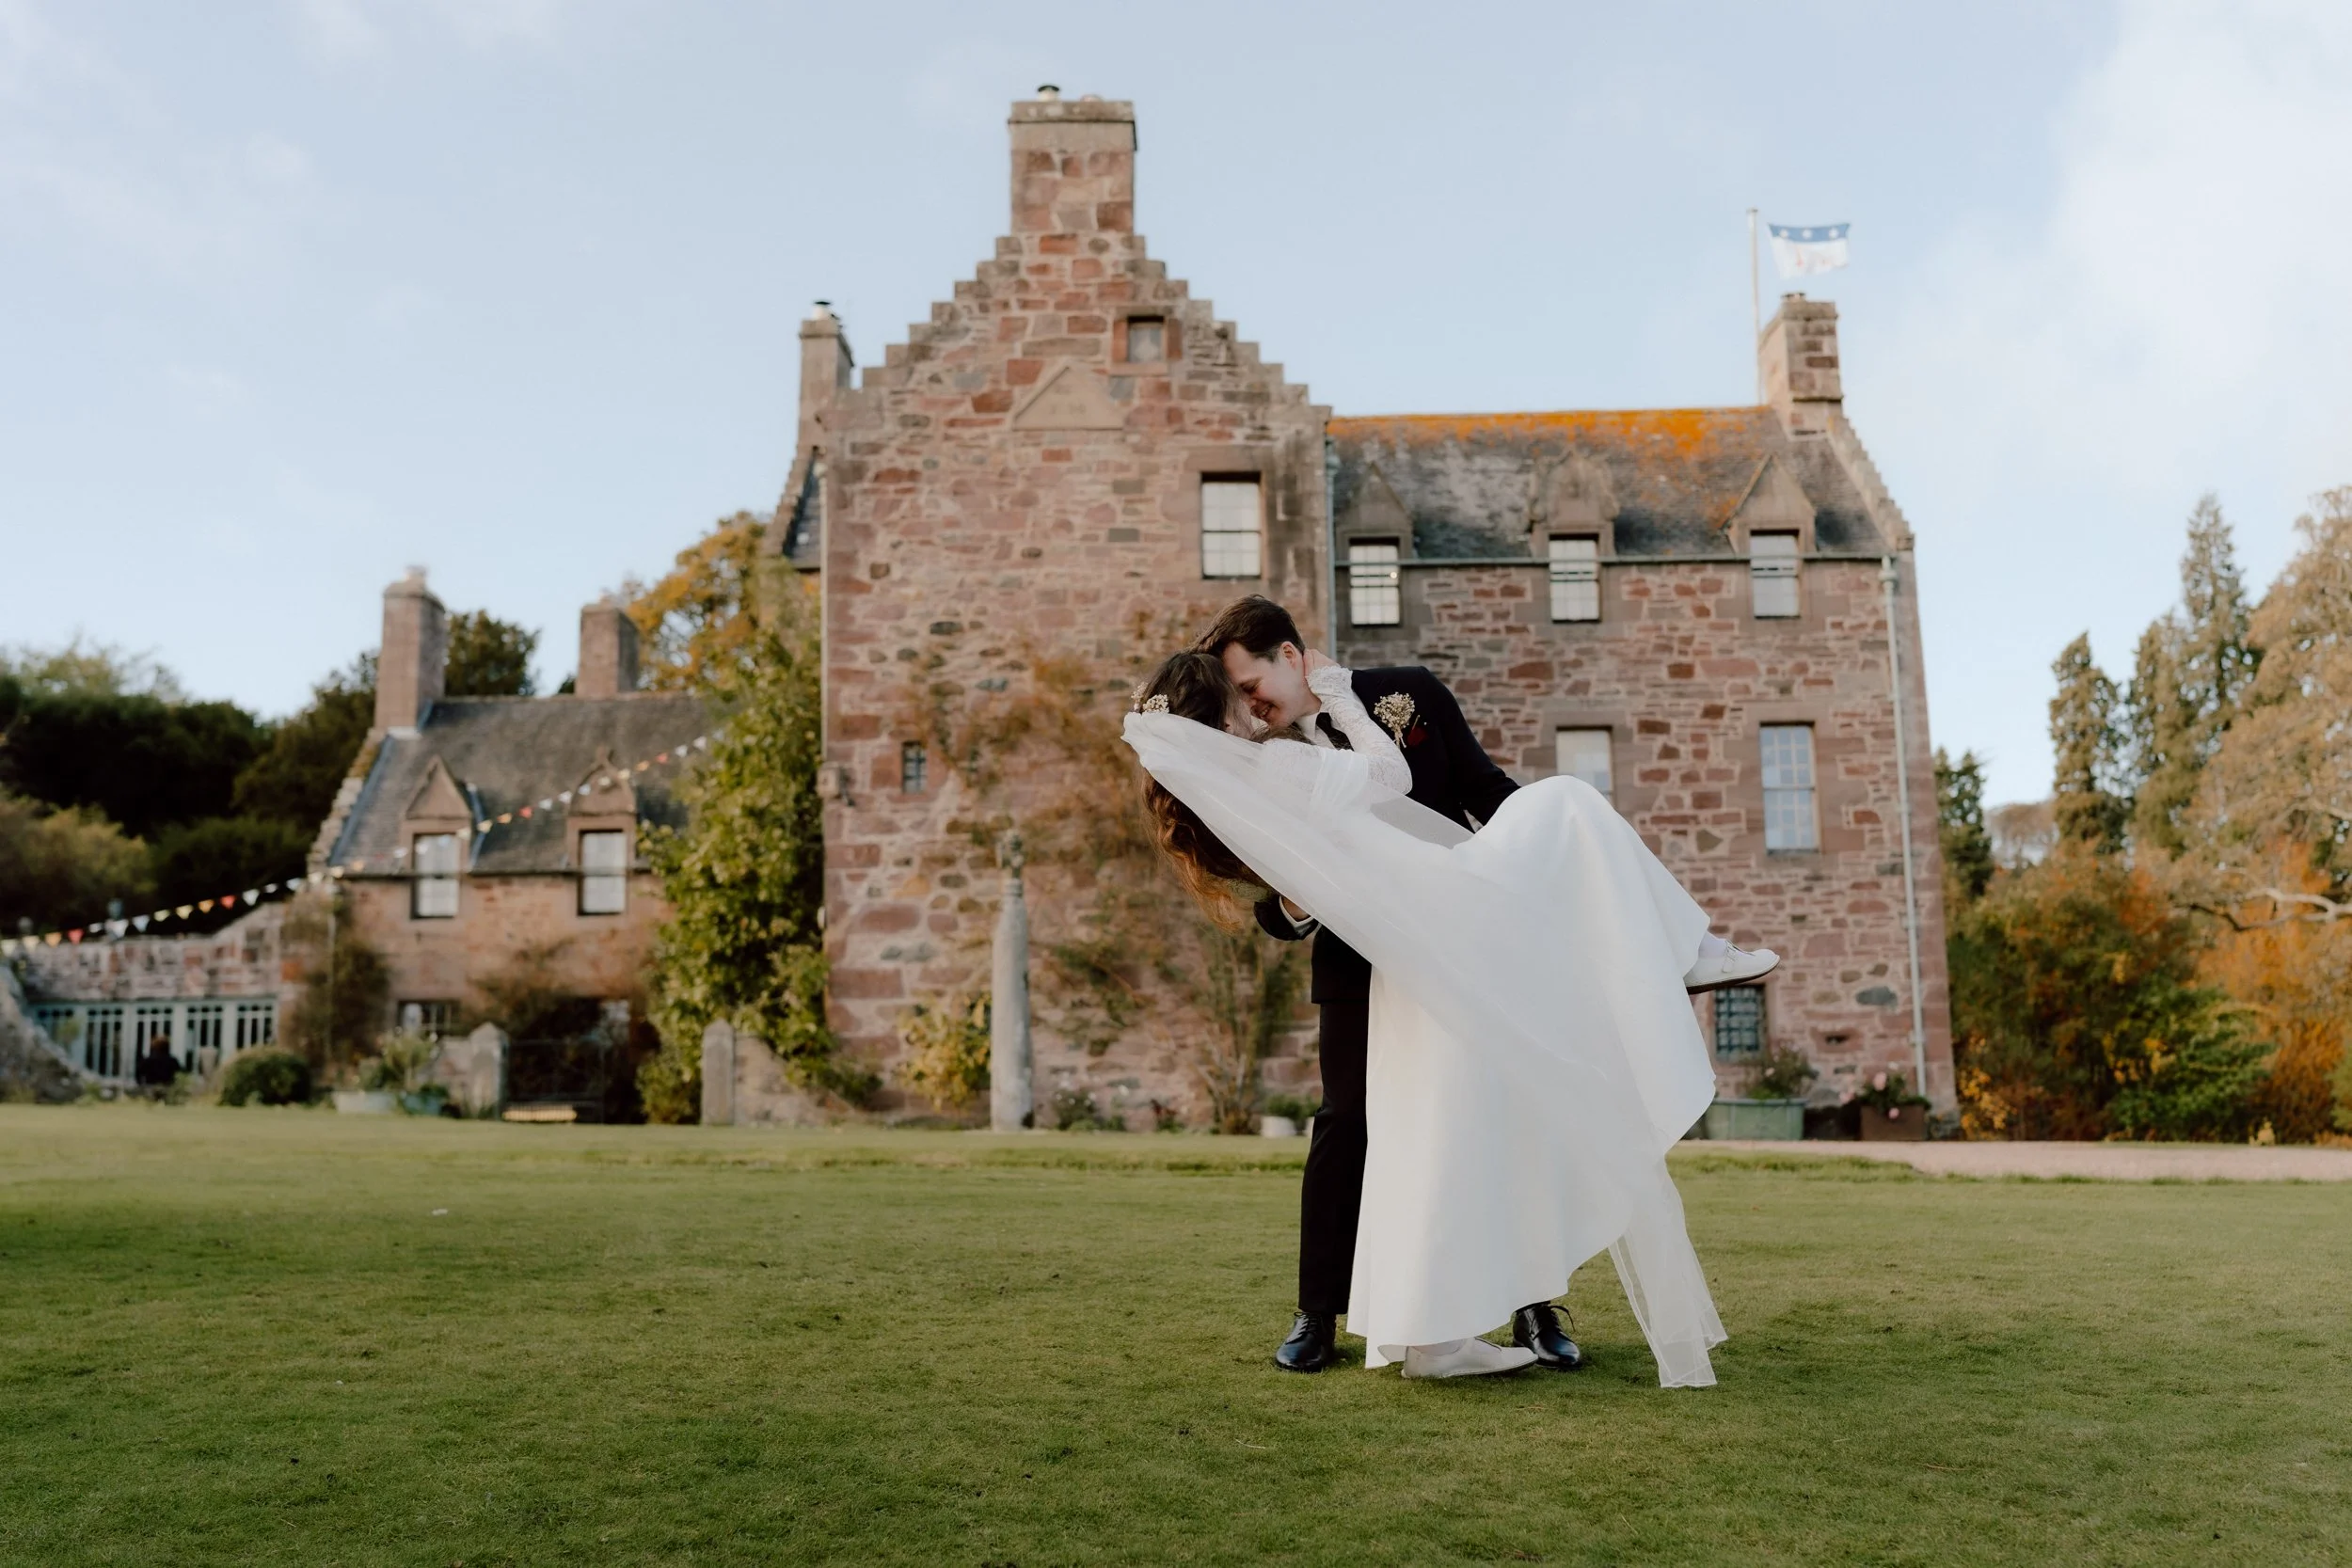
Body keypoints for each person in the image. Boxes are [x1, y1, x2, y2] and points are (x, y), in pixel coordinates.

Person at [1134, 603, 1773, 1383]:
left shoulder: (1407, 694)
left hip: (1463, 933)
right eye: (1237, 693)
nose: (1254, 705)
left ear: (1293, 656)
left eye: (1253, 683)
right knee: (1350, 1127)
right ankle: (1319, 1313)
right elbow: (1274, 898)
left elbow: (1485, 792)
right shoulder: (1257, 760)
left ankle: (1530, 1306)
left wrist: (1524, 870)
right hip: (1358, 959)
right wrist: (1304, 901)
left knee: (1503, 1113)